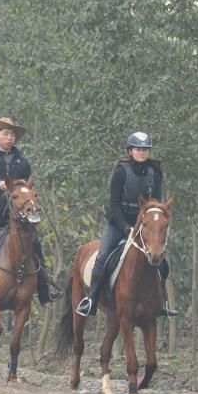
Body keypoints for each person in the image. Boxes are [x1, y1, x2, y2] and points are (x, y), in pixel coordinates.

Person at [0, 117, 63, 306]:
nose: (10, 137)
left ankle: (44, 290)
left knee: (36, 244)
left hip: (17, 218)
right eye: (6, 133)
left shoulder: (21, 161)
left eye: (12, 134)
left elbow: (27, 187)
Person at [75, 132, 177, 318]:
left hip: (145, 227)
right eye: (138, 149)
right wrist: (125, 227)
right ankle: (91, 300)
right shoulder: (121, 172)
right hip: (118, 225)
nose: (142, 152)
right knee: (103, 258)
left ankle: (162, 304)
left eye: (145, 149)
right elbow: (114, 205)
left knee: (162, 263)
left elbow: (155, 203)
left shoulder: (155, 173)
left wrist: (151, 225)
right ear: (130, 151)